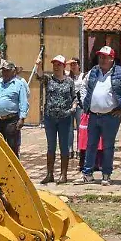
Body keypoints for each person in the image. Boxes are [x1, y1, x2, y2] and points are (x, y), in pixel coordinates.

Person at [80, 46, 121, 185]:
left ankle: (106, 174)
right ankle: (87, 174)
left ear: (112, 58)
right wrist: (85, 103)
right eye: (100, 57)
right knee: (91, 145)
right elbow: (83, 86)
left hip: (110, 116)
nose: (102, 59)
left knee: (108, 146)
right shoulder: (93, 71)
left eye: (105, 57)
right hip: (93, 115)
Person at [36, 54, 77, 184]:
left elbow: (74, 97)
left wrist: (73, 108)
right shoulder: (49, 80)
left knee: (64, 146)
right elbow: (39, 76)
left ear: (64, 66)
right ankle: (50, 174)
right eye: (54, 64)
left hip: (65, 118)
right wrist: (38, 65)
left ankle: (64, 174)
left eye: (59, 64)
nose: (56, 66)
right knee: (50, 146)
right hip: (50, 118)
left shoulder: (69, 81)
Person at [0, 61, 28, 156]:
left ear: (13, 72)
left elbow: (23, 102)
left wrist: (22, 118)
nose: (5, 73)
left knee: (12, 147)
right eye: (3, 70)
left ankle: (14, 169)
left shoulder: (19, 84)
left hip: (11, 121)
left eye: (7, 71)